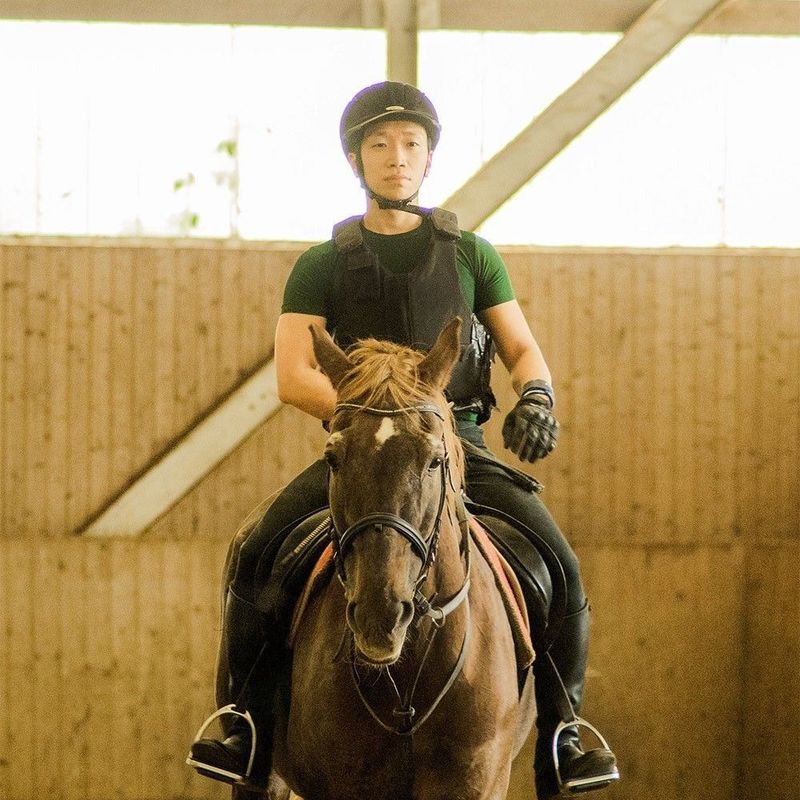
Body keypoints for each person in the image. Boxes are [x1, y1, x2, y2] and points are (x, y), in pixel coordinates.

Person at [188, 81, 618, 799]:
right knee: (257, 551)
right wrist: (375, 416)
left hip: (459, 445)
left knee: (560, 567)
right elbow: (294, 375)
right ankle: (245, 726)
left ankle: (562, 734)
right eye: (381, 145)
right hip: (360, 450)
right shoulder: (321, 265)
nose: (398, 158)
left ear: (428, 159)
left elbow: (520, 349)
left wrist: (537, 394)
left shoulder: (473, 254)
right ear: (357, 158)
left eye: (412, 145)